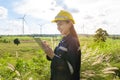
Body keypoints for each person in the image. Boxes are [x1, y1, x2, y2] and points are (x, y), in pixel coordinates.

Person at [41, 10, 81, 80]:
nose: (58, 27)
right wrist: (48, 51)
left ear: (70, 24)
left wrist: (52, 56)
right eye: (57, 25)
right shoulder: (63, 40)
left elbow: (70, 69)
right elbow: (56, 57)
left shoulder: (73, 41)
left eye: (60, 24)